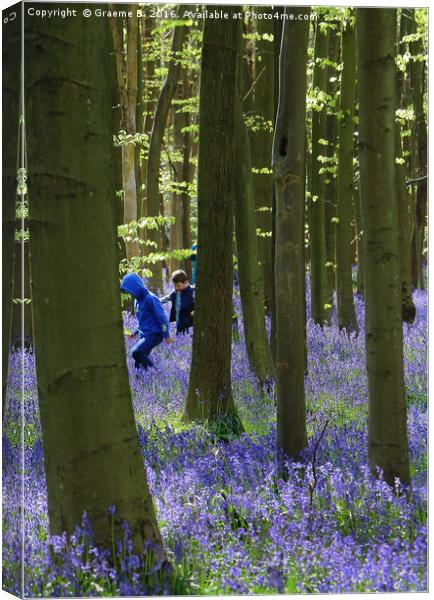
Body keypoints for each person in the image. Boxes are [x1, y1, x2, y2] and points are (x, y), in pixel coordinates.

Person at [120, 272, 172, 371]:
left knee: (136, 352)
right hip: (145, 335)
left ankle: (156, 372)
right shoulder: (137, 302)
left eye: (130, 290)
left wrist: (166, 335)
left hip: (155, 334)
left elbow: (162, 318)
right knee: (139, 363)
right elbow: (143, 321)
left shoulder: (151, 298)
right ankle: (142, 380)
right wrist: (134, 333)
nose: (130, 294)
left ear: (136, 287)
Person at [160, 269, 195, 335]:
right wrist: (155, 301)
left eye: (178, 285)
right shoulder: (174, 293)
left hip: (190, 323)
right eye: (174, 285)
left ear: (185, 283)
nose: (176, 288)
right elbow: (166, 298)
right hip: (178, 322)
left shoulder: (193, 291)